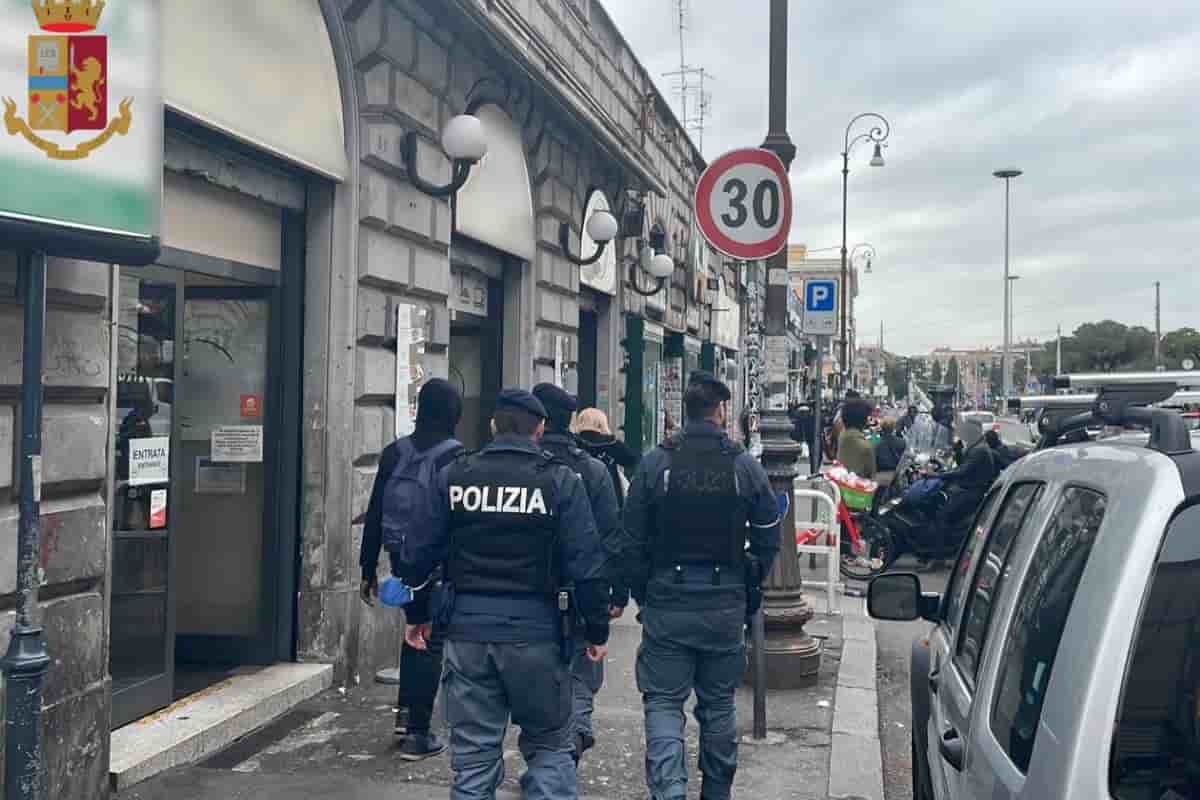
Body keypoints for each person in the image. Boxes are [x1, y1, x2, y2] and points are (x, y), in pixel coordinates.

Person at [393, 389, 610, 800]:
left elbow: (416, 555)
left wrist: (417, 614)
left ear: (493, 426)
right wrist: (596, 631)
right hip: (539, 636)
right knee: (549, 746)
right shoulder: (560, 481)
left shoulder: (455, 475)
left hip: (467, 634)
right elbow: (587, 564)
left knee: (473, 762)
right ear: (540, 429)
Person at [622, 370, 780, 800]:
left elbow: (630, 539)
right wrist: (751, 583)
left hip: (667, 599)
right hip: (724, 601)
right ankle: (716, 791)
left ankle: (670, 791)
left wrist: (643, 593)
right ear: (721, 411)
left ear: (683, 411)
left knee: (663, 703)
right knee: (718, 706)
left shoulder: (656, 462)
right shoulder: (742, 465)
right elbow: (769, 535)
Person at [359, 378, 464, 760]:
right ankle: (419, 733)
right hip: (436, 563)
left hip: (401, 558)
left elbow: (374, 513)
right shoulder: (456, 456)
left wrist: (367, 567)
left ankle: (404, 713)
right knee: (430, 639)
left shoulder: (393, 452)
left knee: (412, 630)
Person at [531, 384, 627, 765]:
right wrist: (617, 594)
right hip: (583, 591)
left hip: (530, 594)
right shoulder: (592, 469)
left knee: (537, 679)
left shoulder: (523, 465)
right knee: (583, 671)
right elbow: (611, 536)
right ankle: (572, 736)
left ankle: (548, 753)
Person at [573, 407, 640, 509]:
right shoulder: (610, 444)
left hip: (578, 497)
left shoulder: (573, 442)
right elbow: (631, 460)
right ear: (601, 424)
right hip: (608, 497)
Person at [836, 399, 877, 479]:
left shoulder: (842, 436)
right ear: (863, 420)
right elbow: (871, 473)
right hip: (858, 487)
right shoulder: (866, 446)